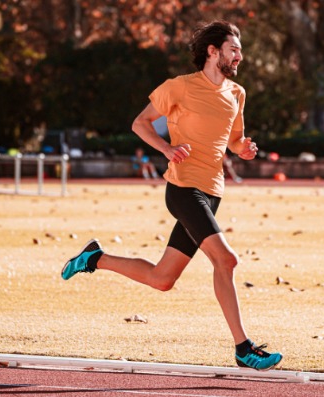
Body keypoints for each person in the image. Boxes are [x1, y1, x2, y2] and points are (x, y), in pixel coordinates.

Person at [61, 20, 283, 371]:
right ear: (213, 52)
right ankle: (244, 348)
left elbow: (234, 139)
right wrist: (166, 149)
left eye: (239, 50)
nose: (239, 55)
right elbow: (140, 123)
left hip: (212, 192)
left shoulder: (237, 94)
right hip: (183, 189)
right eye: (233, 49)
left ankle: (94, 258)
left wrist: (244, 149)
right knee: (227, 261)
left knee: (162, 279)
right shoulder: (179, 87)